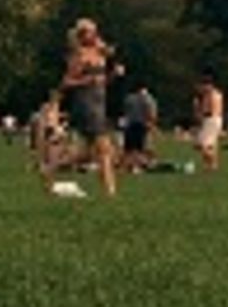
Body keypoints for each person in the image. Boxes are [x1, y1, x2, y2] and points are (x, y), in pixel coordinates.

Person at [60, 17, 121, 197]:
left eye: (95, 31)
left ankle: (51, 166)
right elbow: (66, 82)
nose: (94, 35)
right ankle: (110, 192)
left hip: (99, 102)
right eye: (90, 32)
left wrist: (113, 75)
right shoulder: (79, 56)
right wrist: (86, 80)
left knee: (86, 153)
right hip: (85, 104)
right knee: (104, 148)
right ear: (81, 35)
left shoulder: (99, 53)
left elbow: (102, 82)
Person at [121, 85, 158, 173]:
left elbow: (126, 111)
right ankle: (137, 165)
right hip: (142, 125)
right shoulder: (148, 99)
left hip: (130, 125)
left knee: (130, 148)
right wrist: (152, 123)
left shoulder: (129, 98)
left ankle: (129, 166)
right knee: (140, 147)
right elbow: (152, 112)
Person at [193, 76, 224, 172]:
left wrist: (197, 108)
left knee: (202, 145)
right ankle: (210, 166)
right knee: (211, 145)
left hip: (210, 119)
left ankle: (212, 163)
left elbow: (208, 110)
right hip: (217, 119)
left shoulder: (210, 95)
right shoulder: (218, 94)